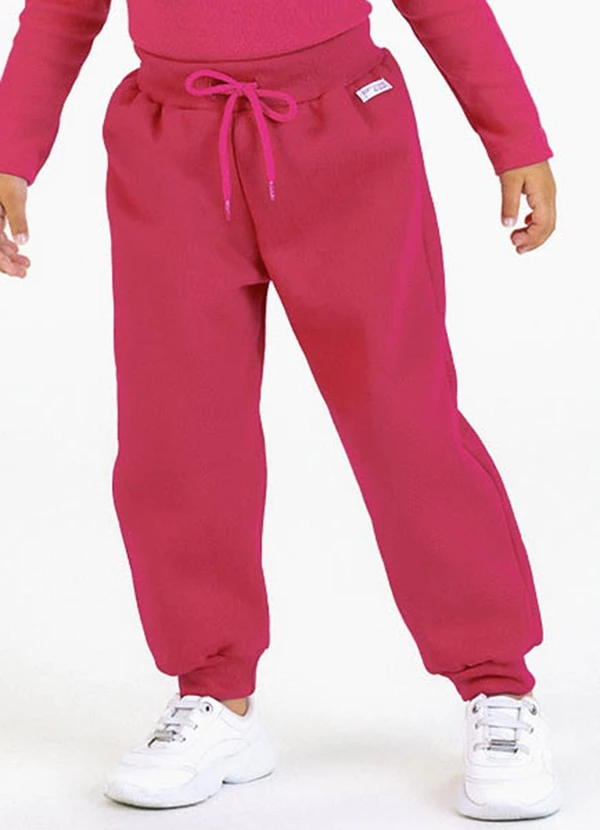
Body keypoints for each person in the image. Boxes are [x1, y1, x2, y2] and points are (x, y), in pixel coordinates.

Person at [0, 0, 560, 820]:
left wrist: (514, 138)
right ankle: (213, 691)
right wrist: (11, 152)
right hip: (170, 148)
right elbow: (60, 13)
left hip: (345, 137)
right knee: (176, 430)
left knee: (403, 420)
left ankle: (496, 682)